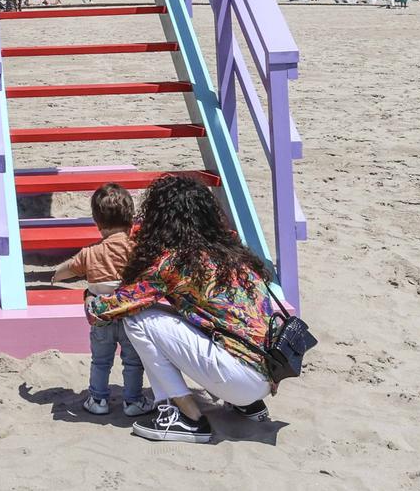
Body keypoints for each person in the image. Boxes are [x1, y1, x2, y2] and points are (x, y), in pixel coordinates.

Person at [90, 174, 279, 443]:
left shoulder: (174, 263)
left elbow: (109, 308)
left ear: (161, 219)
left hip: (238, 378)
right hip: (267, 375)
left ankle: (188, 418)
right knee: (194, 316)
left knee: (138, 318)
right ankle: (248, 406)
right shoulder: (232, 252)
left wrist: (92, 297)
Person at [51, 182, 152, 417]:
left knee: (100, 360)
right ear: (131, 221)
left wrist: (55, 274)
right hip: (130, 315)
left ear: (97, 224)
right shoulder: (136, 250)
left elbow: (69, 268)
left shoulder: (90, 253)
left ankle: (98, 400)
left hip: (100, 315)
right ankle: (133, 401)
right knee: (133, 361)